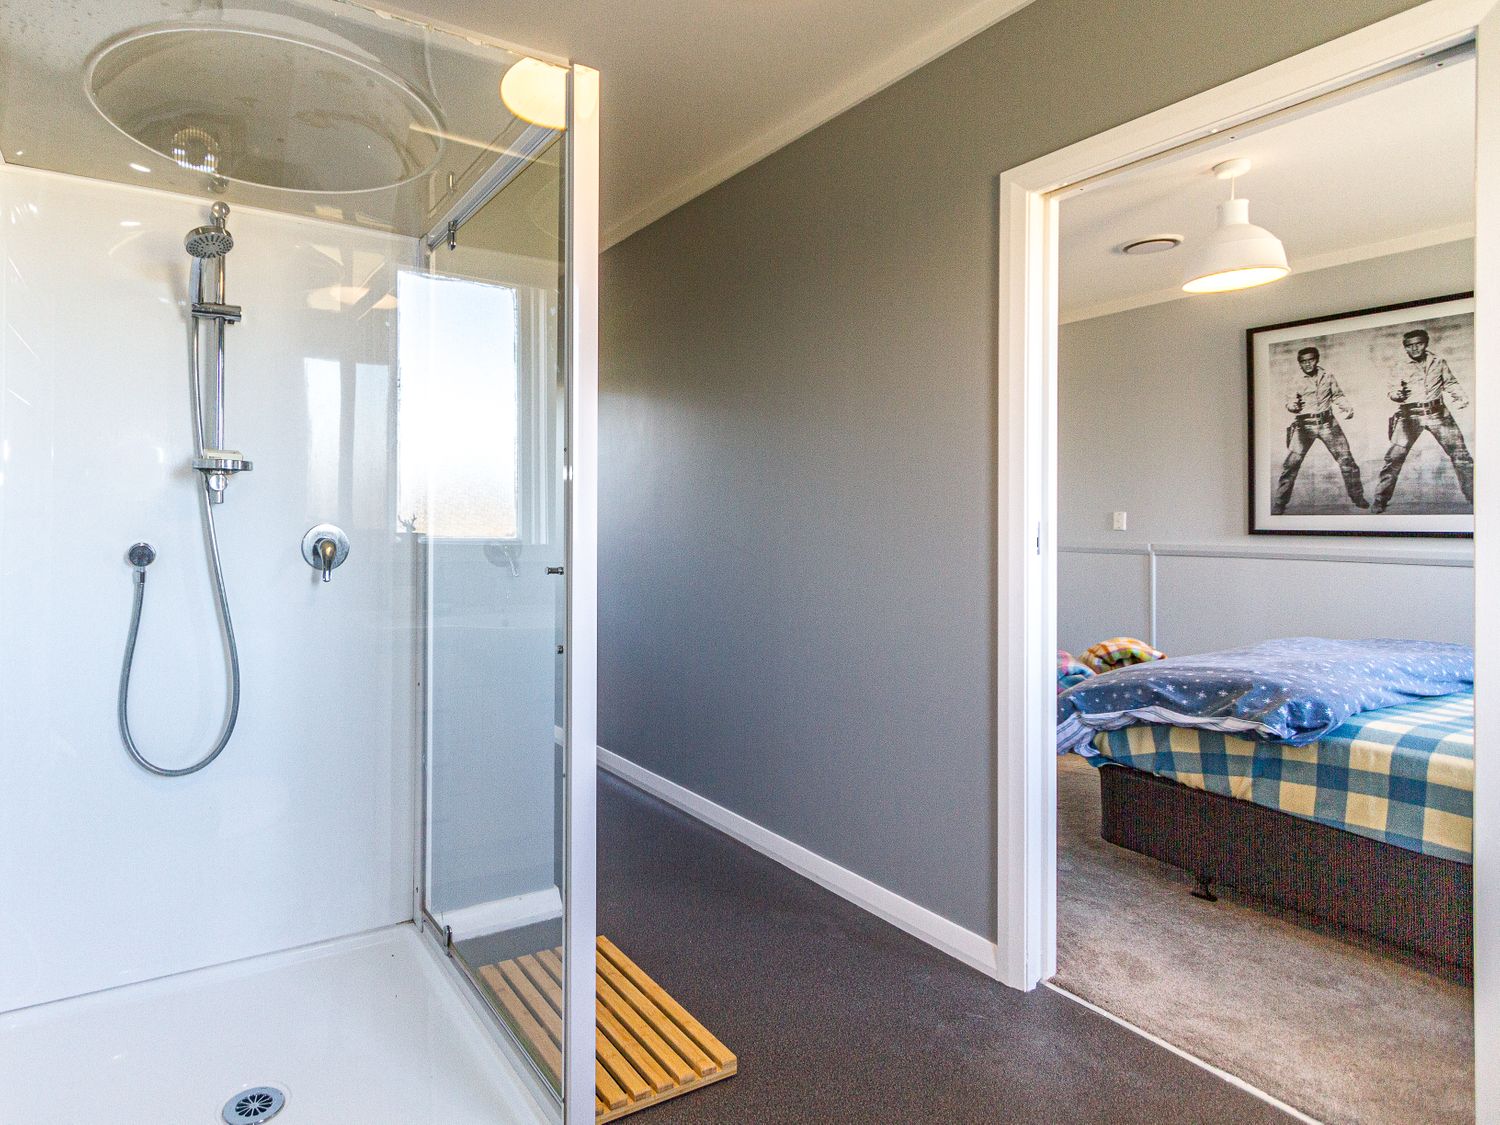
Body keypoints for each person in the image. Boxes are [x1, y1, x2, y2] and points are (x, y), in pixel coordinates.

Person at [1369, 328, 1472, 513]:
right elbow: (1391, 390)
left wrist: (1461, 396)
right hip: (1410, 416)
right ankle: (1379, 501)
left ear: (1426, 344)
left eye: (1419, 344)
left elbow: (1449, 382)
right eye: (1410, 346)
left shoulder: (1438, 361)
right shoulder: (1399, 366)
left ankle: (1475, 497)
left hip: (1438, 413)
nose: (1415, 348)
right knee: (1394, 459)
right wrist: (1396, 395)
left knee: (1461, 455)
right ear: (1405, 348)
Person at [1272, 346, 1368, 514]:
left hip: (1328, 424)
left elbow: (1337, 395)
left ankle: (1357, 497)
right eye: (1303, 362)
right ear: (1299, 364)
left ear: (1317, 360)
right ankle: (1280, 503)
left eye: (1311, 360)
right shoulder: (1294, 380)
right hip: (1304, 426)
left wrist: (1347, 407)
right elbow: (1289, 401)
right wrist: (1293, 406)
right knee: (1291, 465)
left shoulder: (1327, 376)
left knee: (1347, 461)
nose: (1308, 364)